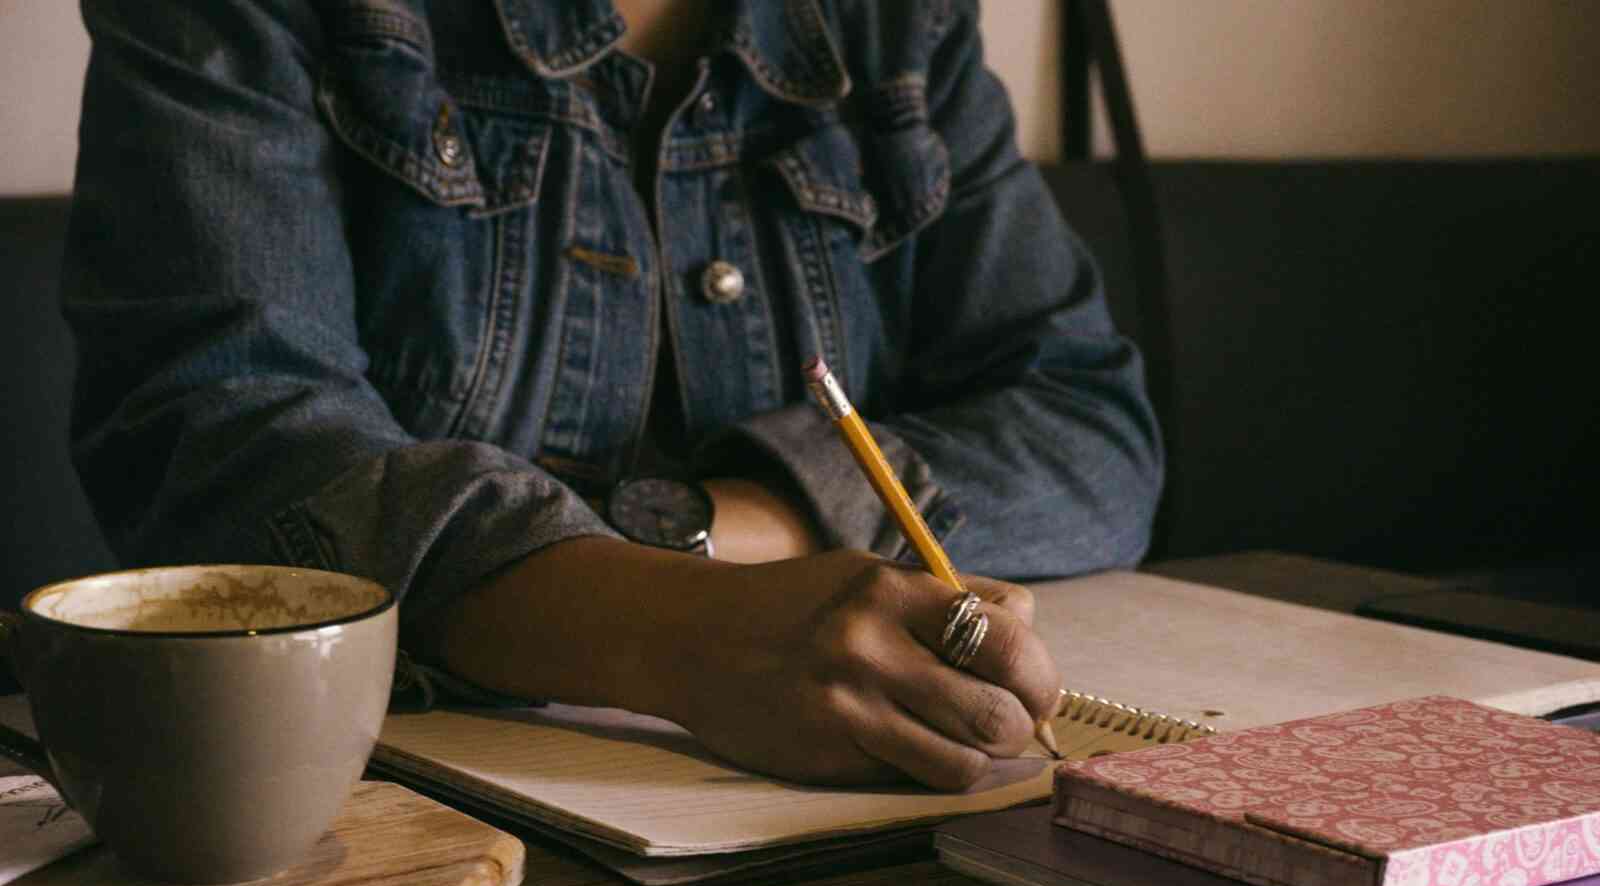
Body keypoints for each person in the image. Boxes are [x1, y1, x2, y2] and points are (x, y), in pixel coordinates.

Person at [62, 0, 1163, 791]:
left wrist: (710, 529)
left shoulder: (896, 29)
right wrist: (674, 631)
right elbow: (219, 438)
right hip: (364, 837)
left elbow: (1090, 429)